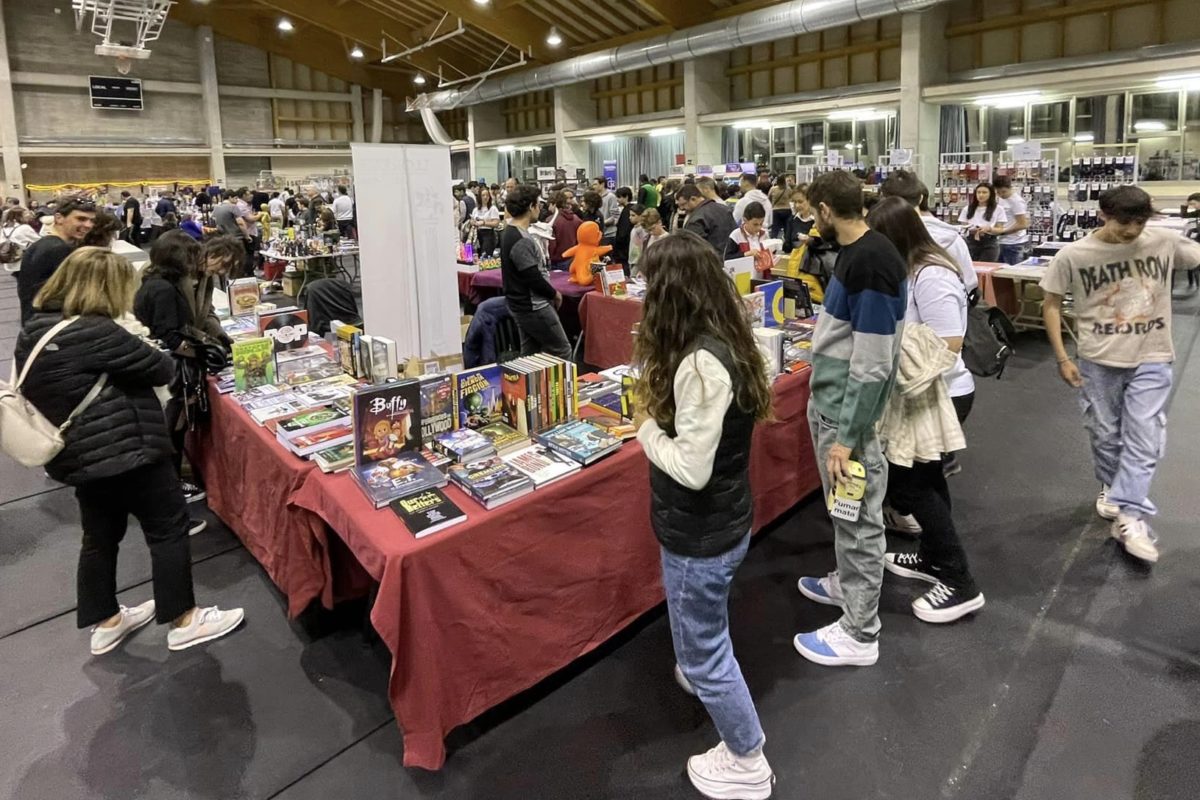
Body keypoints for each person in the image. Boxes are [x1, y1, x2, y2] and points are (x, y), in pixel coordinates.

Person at [15, 247, 244, 655]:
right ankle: (184, 619)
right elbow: (163, 368)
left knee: (99, 537)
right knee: (168, 529)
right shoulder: (95, 331)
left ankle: (106, 621)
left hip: (79, 453)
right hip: (129, 445)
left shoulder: (36, 330)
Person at [633, 231, 775, 799]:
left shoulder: (701, 363)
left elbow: (690, 470)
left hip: (701, 529)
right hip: (720, 518)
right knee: (703, 635)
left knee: (704, 648)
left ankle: (747, 759)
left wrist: (644, 424)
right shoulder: (725, 339)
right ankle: (702, 677)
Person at [1040, 186, 1200, 564]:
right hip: (1098, 358)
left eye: (1139, 222)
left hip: (1153, 355)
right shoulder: (1074, 254)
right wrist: (1063, 357)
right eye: (1123, 222)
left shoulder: (1162, 240)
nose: (1131, 230)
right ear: (1102, 215)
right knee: (1105, 432)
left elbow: (1193, 257)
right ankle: (1112, 485)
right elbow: (1050, 304)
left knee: (1144, 433)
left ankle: (1130, 515)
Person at [793, 170, 907, 667]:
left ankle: (860, 633)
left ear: (823, 209)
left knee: (859, 517)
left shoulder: (871, 262)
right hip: (836, 406)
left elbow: (874, 361)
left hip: (846, 415)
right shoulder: (865, 253)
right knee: (848, 513)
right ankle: (849, 588)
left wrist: (848, 435)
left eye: (807, 210)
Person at [867, 197, 984, 622]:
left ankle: (960, 581)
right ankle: (936, 559)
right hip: (922, 392)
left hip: (940, 392)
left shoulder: (932, 276)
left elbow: (948, 344)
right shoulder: (911, 272)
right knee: (928, 480)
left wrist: (886, 347)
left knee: (912, 484)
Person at [133, 231, 217, 522]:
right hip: (172, 371)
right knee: (173, 427)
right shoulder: (163, 289)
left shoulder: (156, 283)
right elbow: (169, 335)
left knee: (174, 427)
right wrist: (202, 353)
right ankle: (170, 489)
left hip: (168, 367)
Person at [500, 185, 571, 360]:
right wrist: (554, 294)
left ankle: (529, 387)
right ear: (531, 207)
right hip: (533, 306)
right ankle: (563, 387)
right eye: (538, 204)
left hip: (522, 304)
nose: (540, 208)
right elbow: (532, 277)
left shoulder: (510, 233)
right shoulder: (520, 239)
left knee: (529, 355)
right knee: (562, 349)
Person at [17, 196, 96, 324]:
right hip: (50, 325)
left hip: (35, 323)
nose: (88, 225)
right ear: (59, 218)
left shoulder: (42, 244)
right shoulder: (58, 249)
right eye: (81, 219)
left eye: (92, 220)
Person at [679, 184, 735, 255]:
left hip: (711, 261)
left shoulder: (696, 219)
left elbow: (693, 248)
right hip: (731, 258)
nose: (682, 208)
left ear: (693, 199)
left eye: (684, 204)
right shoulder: (725, 208)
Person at [958, 182, 1008, 263]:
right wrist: (970, 229)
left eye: (984, 192)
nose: (981, 195)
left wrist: (989, 229)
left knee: (985, 268)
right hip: (970, 242)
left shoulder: (998, 209)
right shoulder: (967, 209)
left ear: (991, 194)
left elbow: (1000, 229)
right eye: (978, 192)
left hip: (989, 243)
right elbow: (963, 228)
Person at [992, 175, 1030, 265]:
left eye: (1003, 192)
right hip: (1002, 242)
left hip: (1014, 244)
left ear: (1010, 188)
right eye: (998, 192)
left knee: (1012, 274)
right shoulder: (1002, 199)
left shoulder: (1016, 201)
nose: (1001, 194)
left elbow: (1023, 224)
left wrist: (1003, 232)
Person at [631, 208, 668, 278]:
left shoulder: (669, 240)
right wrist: (641, 270)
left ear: (659, 222)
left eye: (653, 228)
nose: (651, 232)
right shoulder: (647, 239)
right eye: (648, 230)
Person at [781, 186, 815, 254]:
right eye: (795, 202)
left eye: (800, 202)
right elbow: (787, 246)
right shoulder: (792, 220)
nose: (797, 205)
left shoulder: (817, 222)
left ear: (810, 201)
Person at [612, 188, 638, 270]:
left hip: (623, 249)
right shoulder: (628, 209)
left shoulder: (627, 211)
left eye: (619, 197)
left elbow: (624, 230)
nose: (617, 199)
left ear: (626, 197)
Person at [472, 186, 501, 257]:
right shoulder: (476, 209)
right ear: (479, 197)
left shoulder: (492, 209)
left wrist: (484, 223)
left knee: (485, 256)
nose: (485, 197)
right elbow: (472, 220)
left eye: (487, 195)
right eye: (483, 195)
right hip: (477, 235)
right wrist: (472, 222)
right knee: (476, 256)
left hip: (488, 234)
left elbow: (496, 223)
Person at [592, 178, 620, 242]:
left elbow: (615, 217)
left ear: (602, 184)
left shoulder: (611, 197)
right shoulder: (596, 197)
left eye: (595, 184)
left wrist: (602, 223)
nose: (594, 187)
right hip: (599, 234)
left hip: (609, 235)